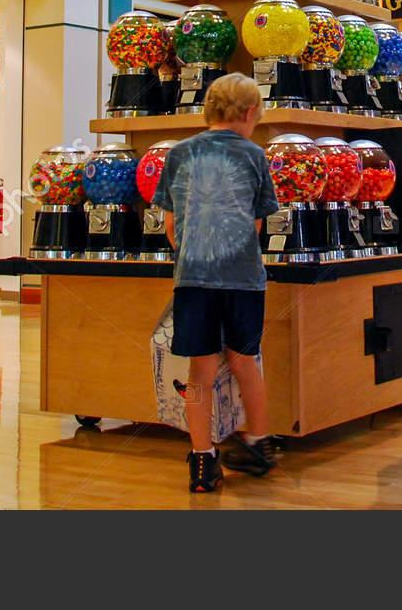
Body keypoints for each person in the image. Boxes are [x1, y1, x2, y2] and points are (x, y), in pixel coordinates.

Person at [151, 73, 280, 492]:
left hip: (193, 277)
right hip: (243, 277)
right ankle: (258, 444)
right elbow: (257, 224)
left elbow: (169, 224)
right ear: (248, 113)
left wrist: (190, 251)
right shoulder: (255, 156)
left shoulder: (178, 155)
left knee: (199, 372)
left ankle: (203, 460)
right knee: (245, 362)